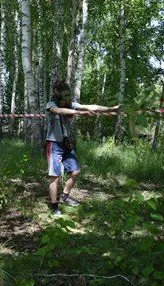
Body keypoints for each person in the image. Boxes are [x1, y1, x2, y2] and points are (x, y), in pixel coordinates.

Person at [46, 80, 120, 216]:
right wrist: (79, 114)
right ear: (58, 96)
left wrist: (112, 109)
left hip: (66, 143)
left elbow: (92, 107)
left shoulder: (72, 105)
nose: (68, 98)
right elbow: (59, 111)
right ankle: (55, 207)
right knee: (54, 177)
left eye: (69, 95)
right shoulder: (51, 104)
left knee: (75, 171)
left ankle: (65, 196)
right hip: (54, 144)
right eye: (65, 96)